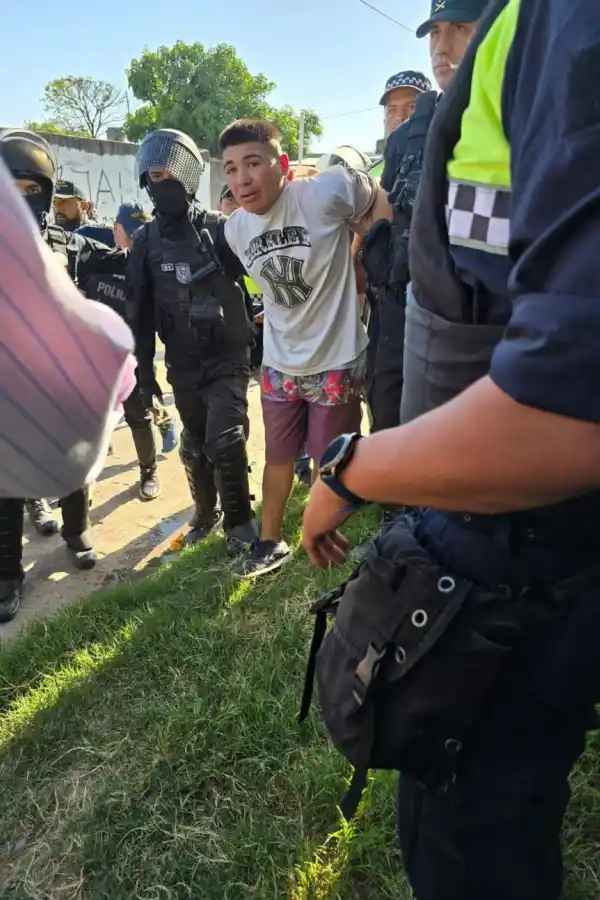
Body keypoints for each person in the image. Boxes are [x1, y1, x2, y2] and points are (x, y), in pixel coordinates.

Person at [302, 0, 600, 898]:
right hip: (507, 521)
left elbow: (570, 412)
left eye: (451, 27)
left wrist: (351, 469)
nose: (442, 42)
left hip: (516, 546)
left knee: (474, 838)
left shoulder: (561, 25)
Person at [220, 119, 392, 578]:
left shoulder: (324, 192)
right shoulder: (235, 229)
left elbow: (379, 202)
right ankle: (269, 542)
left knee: (327, 459)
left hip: (335, 357)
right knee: (278, 456)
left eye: (253, 163)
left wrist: (370, 247)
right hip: (279, 362)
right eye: (231, 168)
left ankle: (321, 538)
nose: (242, 179)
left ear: (282, 164)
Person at [0, 131, 132, 621]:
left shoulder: (67, 242)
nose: (21, 197)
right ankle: (6, 573)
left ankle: (77, 531)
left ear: (47, 192)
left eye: (31, 188)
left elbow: (122, 260)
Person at [127, 128, 258, 555]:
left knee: (226, 438)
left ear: (187, 177)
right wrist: (143, 375)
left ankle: (241, 524)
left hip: (227, 357)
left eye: (168, 174)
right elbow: (139, 317)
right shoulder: (145, 242)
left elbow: (262, 278)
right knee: (196, 444)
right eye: (153, 176)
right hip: (182, 363)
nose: (160, 183)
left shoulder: (219, 229)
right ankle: (205, 513)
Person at [113, 201, 180, 458]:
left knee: (145, 387)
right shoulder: (110, 257)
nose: (133, 240)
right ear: (116, 228)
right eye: (129, 234)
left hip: (143, 337)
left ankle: (164, 421)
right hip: (120, 338)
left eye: (137, 234)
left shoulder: (153, 256)